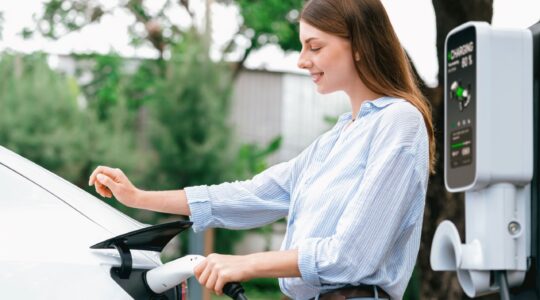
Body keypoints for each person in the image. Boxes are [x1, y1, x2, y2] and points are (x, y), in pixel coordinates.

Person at [88, 0, 435, 299]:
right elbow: (252, 195)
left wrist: (246, 263)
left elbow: (352, 254)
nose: (302, 60)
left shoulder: (398, 122)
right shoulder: (337, 138)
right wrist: (138, 197)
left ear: (359, 45)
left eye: (315, 47)